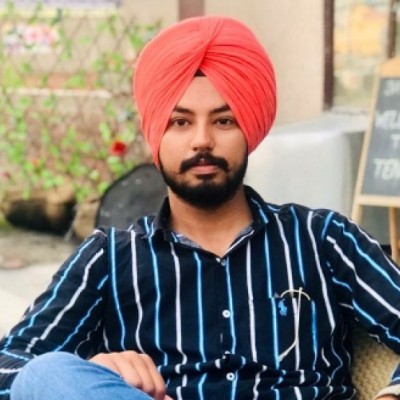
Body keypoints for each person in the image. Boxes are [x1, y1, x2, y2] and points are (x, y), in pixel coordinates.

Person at [0, 15, 399, 400]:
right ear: (156, 135)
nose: (202, 141)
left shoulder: (321, 238)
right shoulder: (110, 257)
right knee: (46, 374)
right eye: (181, 122)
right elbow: (10, 367)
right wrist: (97, 369)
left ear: (248, 131)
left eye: (223, 121)